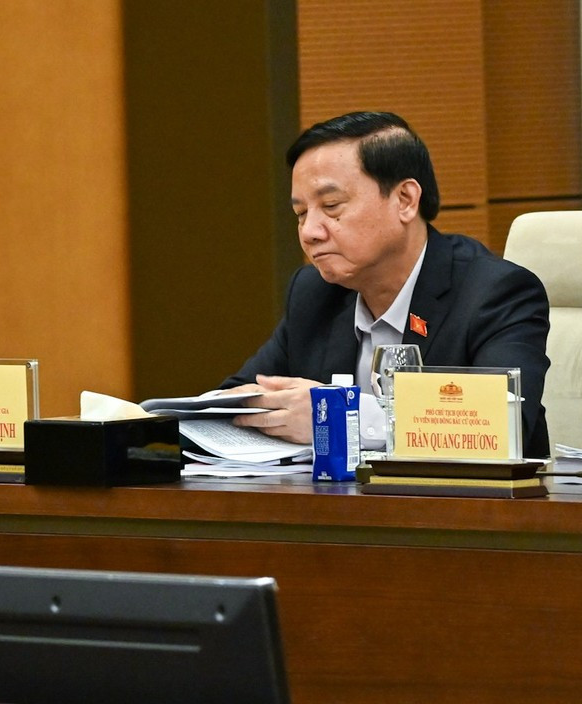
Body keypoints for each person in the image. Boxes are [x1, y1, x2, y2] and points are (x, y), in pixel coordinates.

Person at [223, 111, 551, 456]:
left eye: (331, 206)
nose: (309, 232)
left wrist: (338, 417)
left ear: (405, 200)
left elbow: (500, 425)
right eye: (301, 213)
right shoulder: (314, 292)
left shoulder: (495, 292)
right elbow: (240, 395)